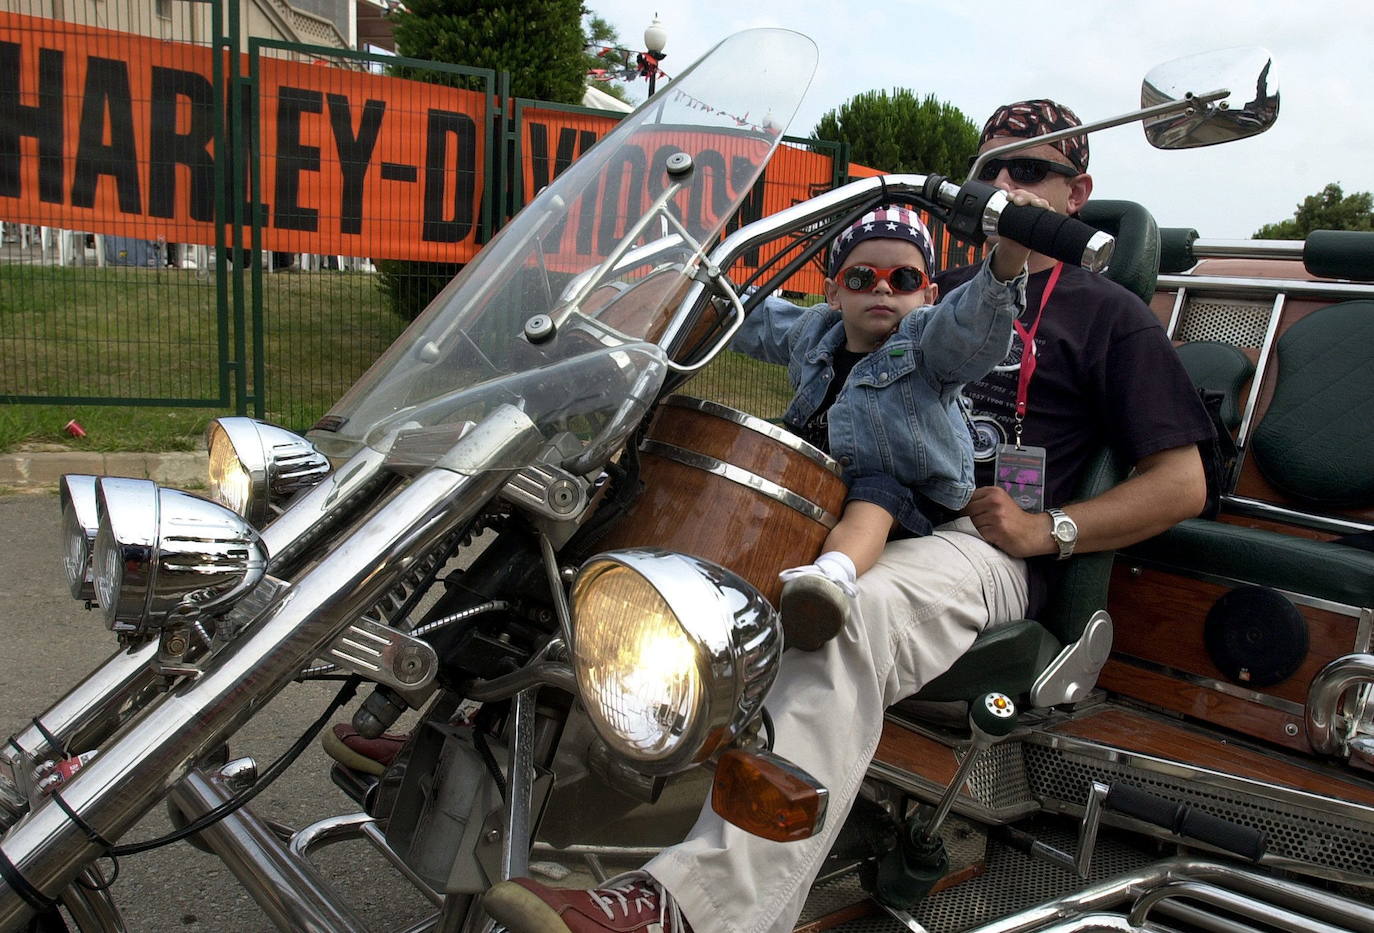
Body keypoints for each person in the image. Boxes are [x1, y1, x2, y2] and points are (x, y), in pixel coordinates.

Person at [483, 96, 1216, 933]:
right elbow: (773, 326)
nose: (1004, 183)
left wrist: (1048, 531)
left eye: (1031, 169)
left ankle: (688, 910)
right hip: (841, 501)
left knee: (844, 611)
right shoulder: (916, 299)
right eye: (989, 169)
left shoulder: (1107, 312)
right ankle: (535, 824)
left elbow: (1180, 482)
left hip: (975, 541)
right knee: (654, 572)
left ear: (1076, 192)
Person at [738, 204, 1033, 651]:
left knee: (874, 496)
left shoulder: (926, 344)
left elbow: (969, 328)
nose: (881, 286)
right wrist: (690, 287)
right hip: (825, 482)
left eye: (904, 279)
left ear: (929, 295)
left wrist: (1006, 262)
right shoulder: (816, 330)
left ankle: (830, 579)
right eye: (861, 278)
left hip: (912, 491)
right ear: (834, 293)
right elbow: (752, 317)